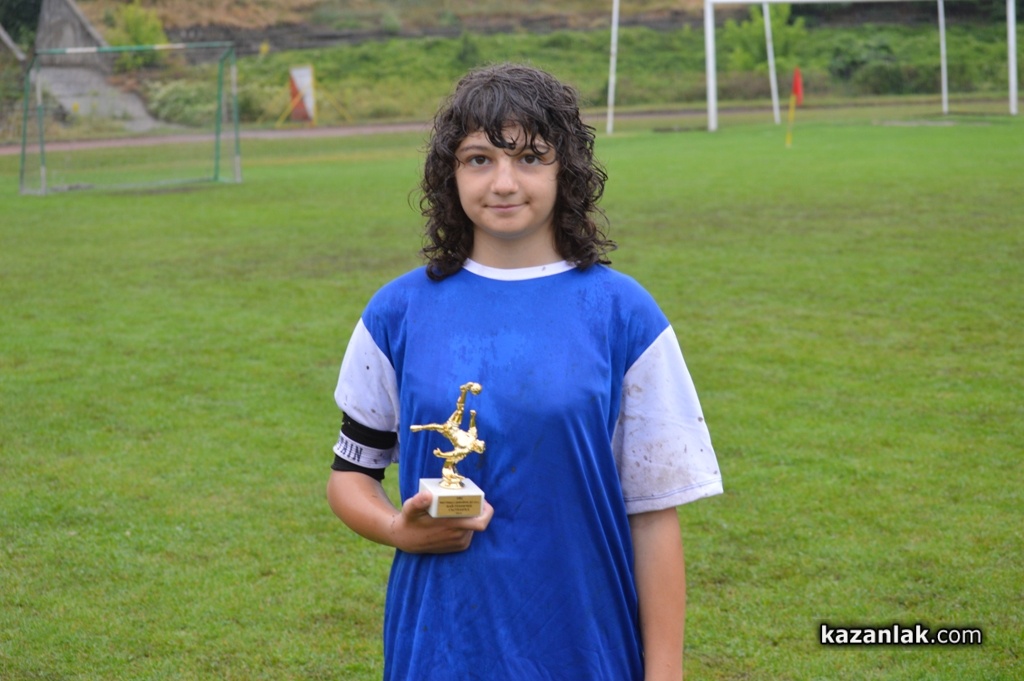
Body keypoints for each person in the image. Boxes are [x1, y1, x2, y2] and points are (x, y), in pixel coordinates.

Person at [326, 63, 723, 681]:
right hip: (439, 650)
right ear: (450, 173)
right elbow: (351, 474)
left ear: (567, 171)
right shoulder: (396, 312)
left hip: (583, 647)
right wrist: (397, 529)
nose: (504, 182)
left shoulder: (624, 313)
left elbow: (653, 515)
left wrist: (665, 675)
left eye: (531, 157)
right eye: (479, 159)